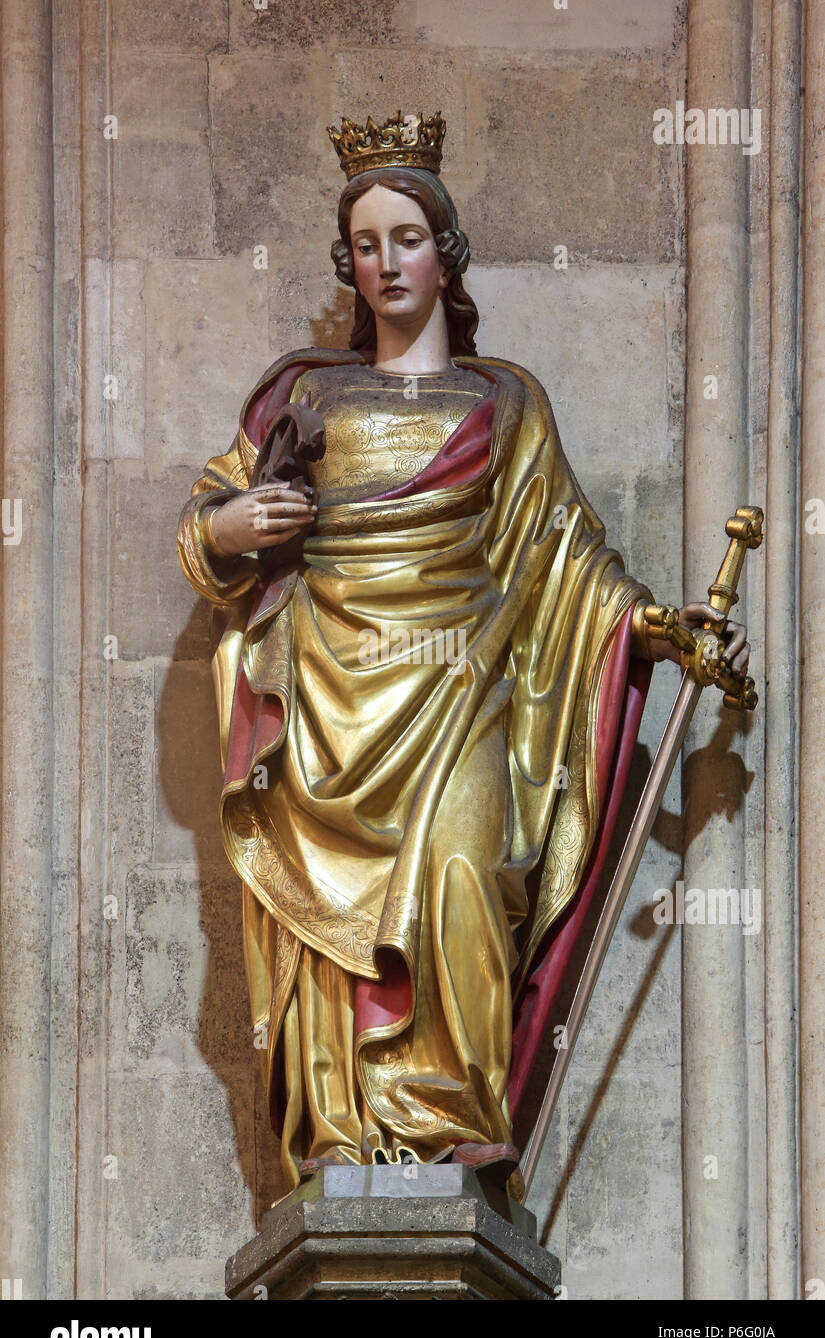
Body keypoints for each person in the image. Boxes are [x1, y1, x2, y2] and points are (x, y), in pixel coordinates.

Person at [177, 111, 749, 1196]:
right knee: (332, 935)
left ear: (448, 252)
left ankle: (449, 1116)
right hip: (325, 701)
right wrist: (228, 526)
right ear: (345, 261)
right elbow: (209, 513)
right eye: (365, 243)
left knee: (464, 870)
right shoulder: (306, 393)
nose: (386, 262)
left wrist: (650, 627)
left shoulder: (506, 400)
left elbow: (569, 555)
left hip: (461, 694)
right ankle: (345, 1134)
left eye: (407, 237)